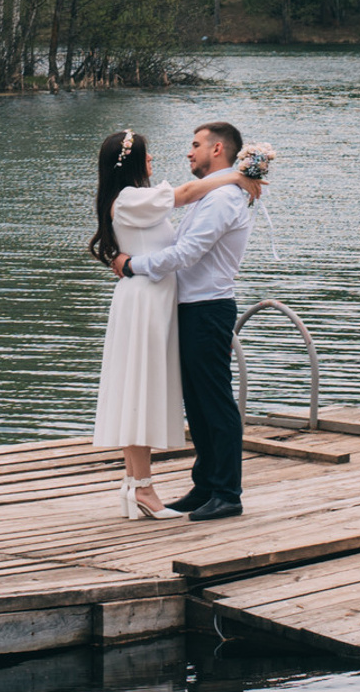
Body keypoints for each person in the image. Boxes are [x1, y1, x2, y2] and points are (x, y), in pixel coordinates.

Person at [90, 130, 261, 520]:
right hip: (179, 306)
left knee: (213, 399)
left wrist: (132, 265)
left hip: (206, 306)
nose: (188, 152)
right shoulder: (203, 194)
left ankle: (225, 491)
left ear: (217, 149)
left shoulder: (221, 197)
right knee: (197, 402)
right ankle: (205, 485)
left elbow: (185, 252)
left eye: (196, 145)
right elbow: (179, 221)